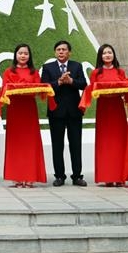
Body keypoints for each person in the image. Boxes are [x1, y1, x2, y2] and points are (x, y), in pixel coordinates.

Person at [88, 44, 128, 187]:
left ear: (113, 55)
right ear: (100, 56)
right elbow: (92, 90)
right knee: (105, 143)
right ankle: (107, 177)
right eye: (104, 53)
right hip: (104, 110)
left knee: (119, 141)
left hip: (117, 109)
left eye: (109, 52)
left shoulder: (120, 72)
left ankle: (120, 176)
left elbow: (125, 89)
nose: (107, 55)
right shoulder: (96, 73)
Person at [40, 40, 88, 187]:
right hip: (56, 111)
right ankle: (59, 176)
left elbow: (84, 84)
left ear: (69, 52)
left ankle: (77, 176)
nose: (61, 52)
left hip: (74, 111)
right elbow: (44, 86)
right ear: (55, 52)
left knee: (76, 144)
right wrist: (59, 82)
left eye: (64, 50)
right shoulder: (48, 67)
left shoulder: (76, 66)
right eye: (58, 50)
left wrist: (71, 80)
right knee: (57, 145)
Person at [1, 44, 46, 188]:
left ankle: (30, 177)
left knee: (30, 142)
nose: (22, 56)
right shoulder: (9, 71)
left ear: (29, 56)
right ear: (15, 55)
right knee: (16, 143)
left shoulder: (34, 72)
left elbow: (38, 89)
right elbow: (4, 89)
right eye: (20, 53)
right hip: (14, 110)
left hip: (29, 110)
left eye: (25, 53)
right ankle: (17, 177)